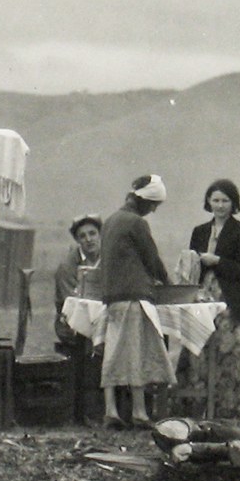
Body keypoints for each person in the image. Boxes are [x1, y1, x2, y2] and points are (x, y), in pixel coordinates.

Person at [99, 174, 173, 428]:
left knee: (114, 351)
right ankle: (140, 412)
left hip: (112, 297)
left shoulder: (110, 221)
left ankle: (111, 409)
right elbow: (151, 258)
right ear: (144, 201)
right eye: (154, 205)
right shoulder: (136, 223)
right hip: (133, 296)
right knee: (135, 352)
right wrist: (168, 282)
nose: (153, 210)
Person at [182, 178, 240, 418]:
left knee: (231, 353)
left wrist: (218, 262)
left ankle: (232, 407)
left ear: (234, 203)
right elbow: (192, 265)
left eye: (225, 200)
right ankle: (201, 404)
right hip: (202, 297)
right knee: (200, 350)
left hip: (231, 300)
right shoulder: (199, 231)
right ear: (208, 202)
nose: (220, 205)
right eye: (216, 200)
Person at [53, 213, 103, 350]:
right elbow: (69, 303)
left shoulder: (109, 260)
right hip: (72, 325)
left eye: (92, 234)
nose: (89, 239)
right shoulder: (67, 267)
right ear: (77, 240)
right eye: (82, 236)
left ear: (100, 235)